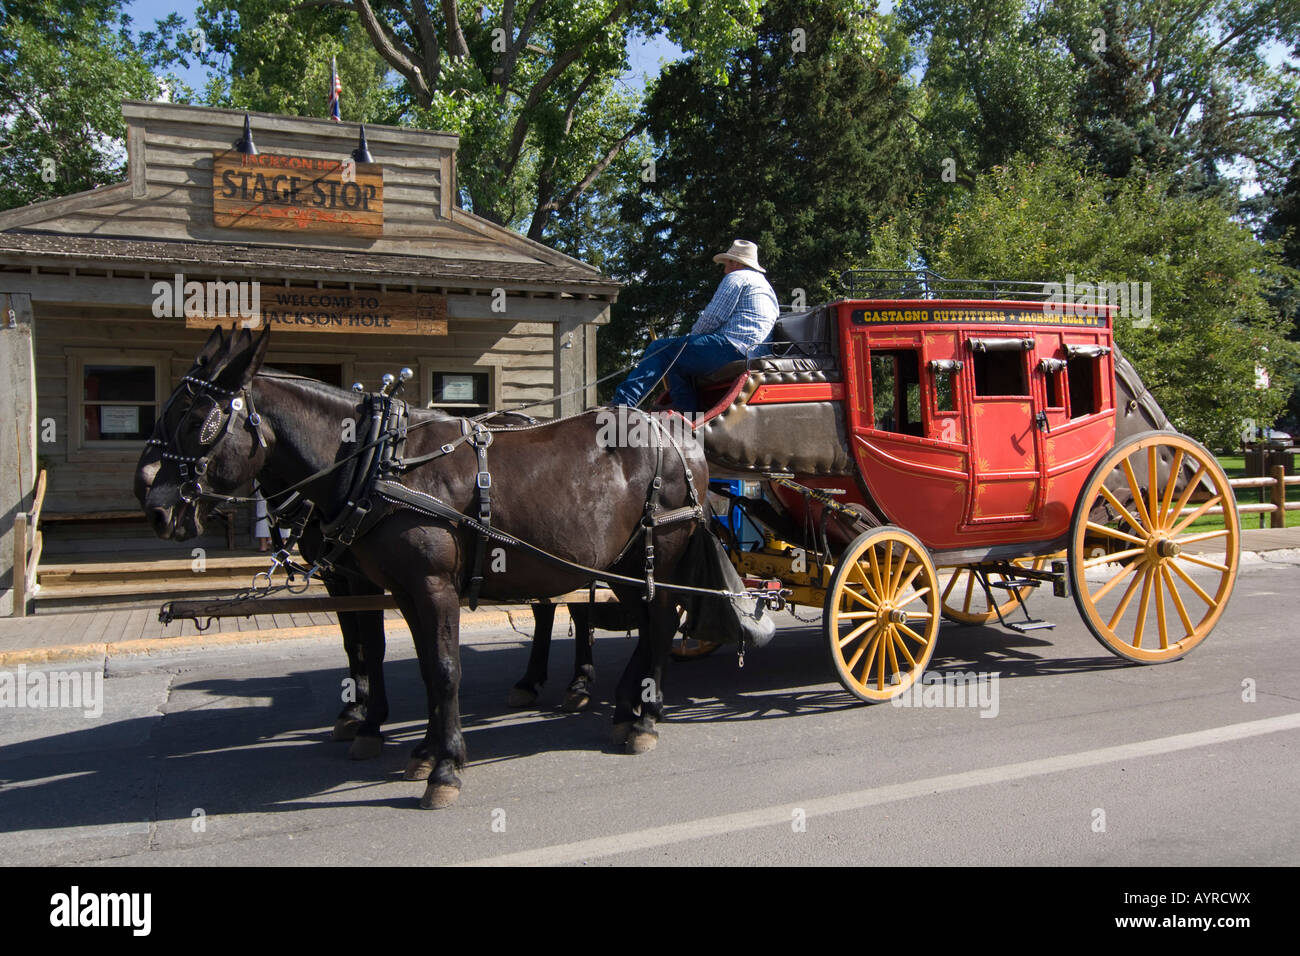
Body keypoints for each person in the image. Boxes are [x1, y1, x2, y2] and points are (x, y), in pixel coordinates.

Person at [610, 239, 779, 412]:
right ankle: (687, 415)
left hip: (734, 347)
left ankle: (622, 404)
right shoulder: (766, 286)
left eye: (726, 263)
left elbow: (713, 317)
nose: (724, 269)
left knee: (660, 349)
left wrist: (691, 339)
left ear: (734, 262)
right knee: (678, 361)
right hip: (756, 352)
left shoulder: (736, 277)